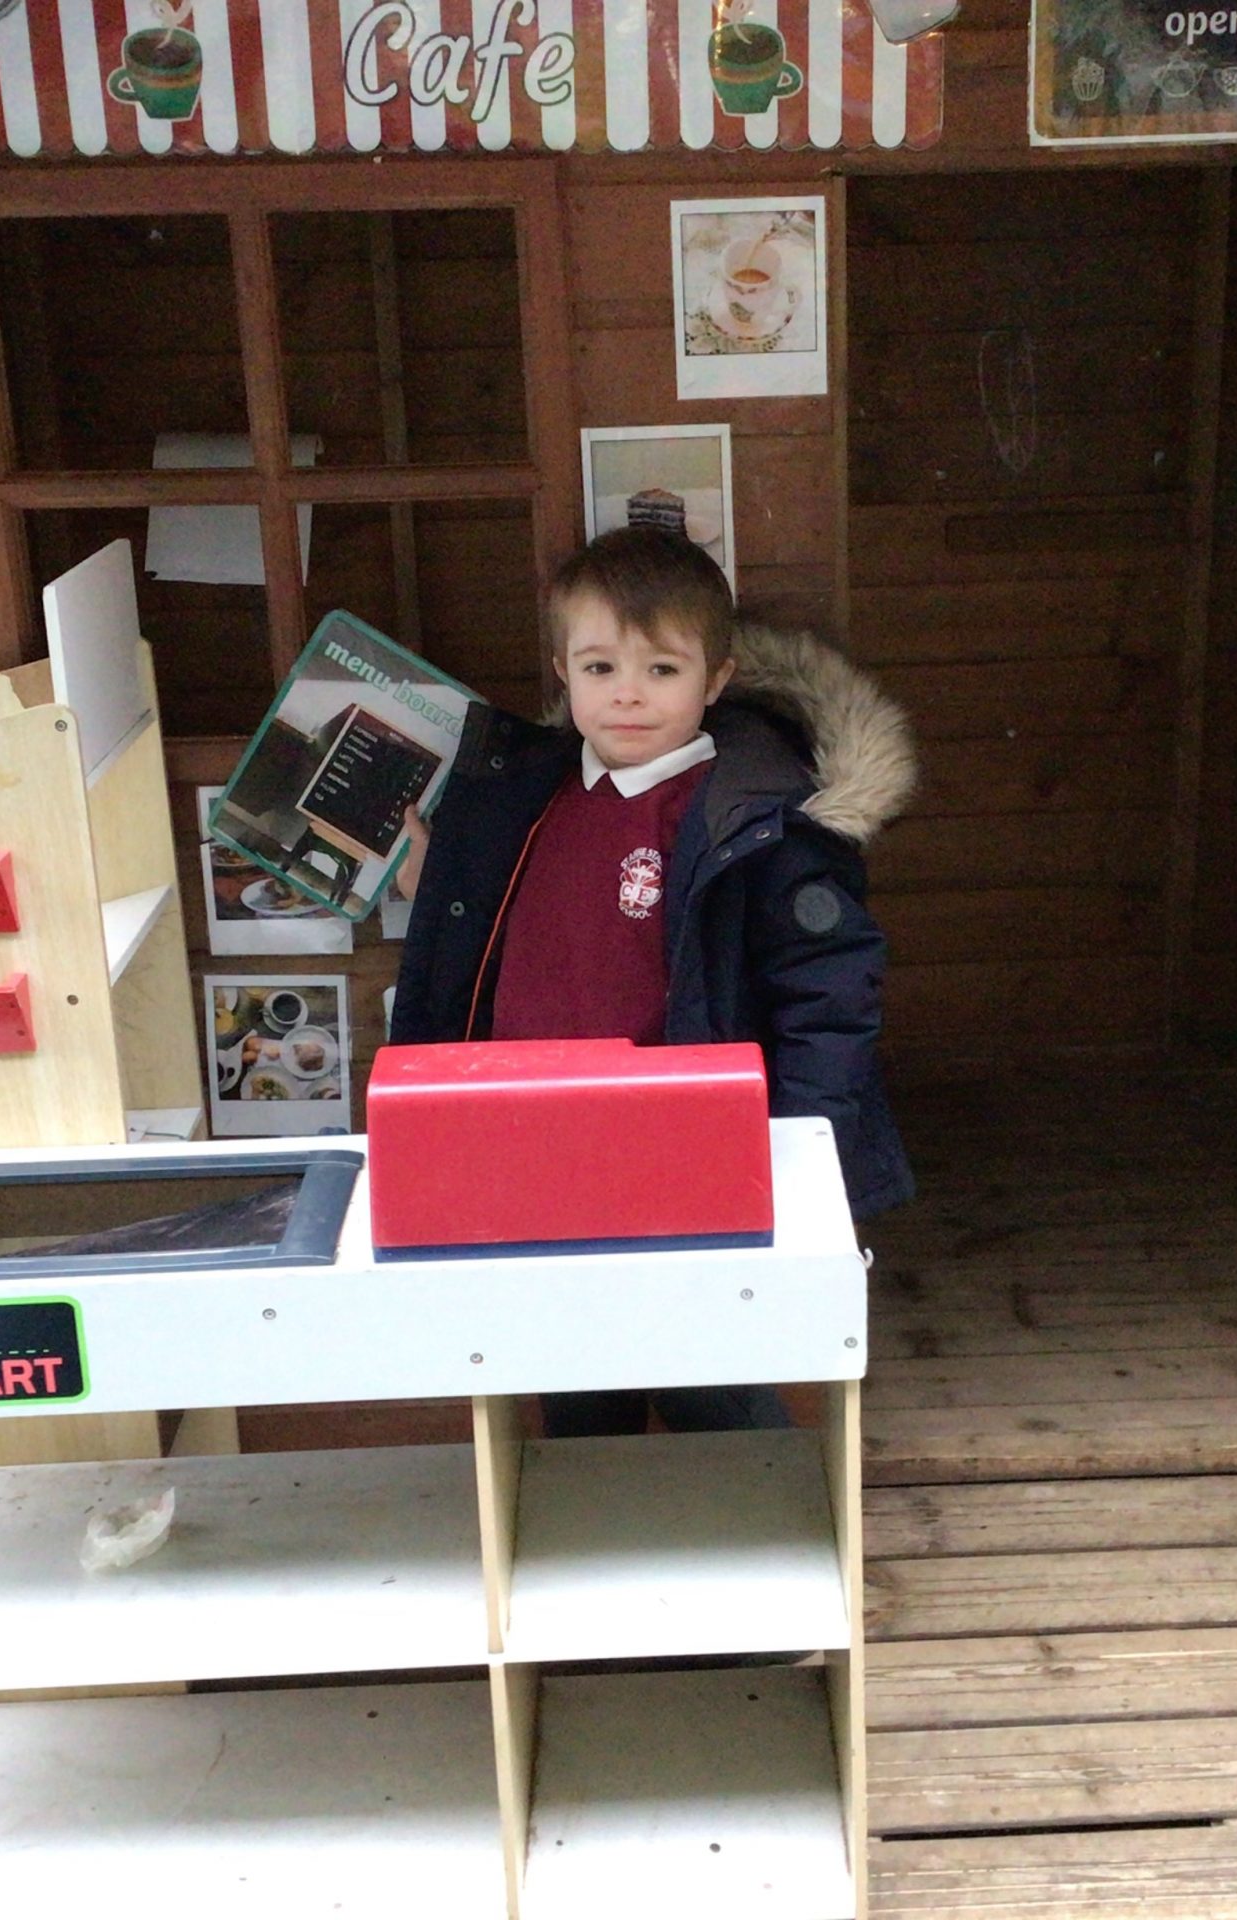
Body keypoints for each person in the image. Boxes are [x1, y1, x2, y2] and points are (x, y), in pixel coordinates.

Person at [390, 525, 916, 1435]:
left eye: (662, 670)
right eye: (600, 668)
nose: (627, 694)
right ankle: (591, 1517)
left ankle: (763, 1511)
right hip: (537, 1152)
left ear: (716, 679)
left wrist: (805, 1154)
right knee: (572, 1386)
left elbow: (829, 997)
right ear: (563, 671)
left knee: (710, 1378)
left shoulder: (755, 820)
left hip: (689, 1163)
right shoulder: (524, 798)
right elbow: (511, 941)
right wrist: (434, 887)